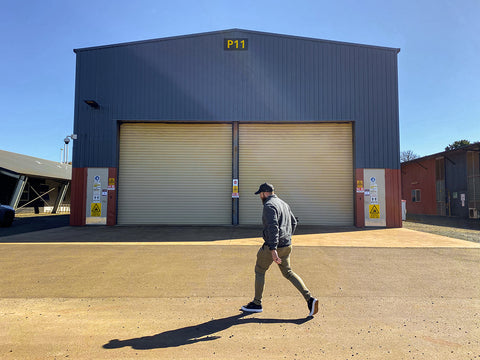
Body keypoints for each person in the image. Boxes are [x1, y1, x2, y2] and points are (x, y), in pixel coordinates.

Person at [241, 182, 319, 317]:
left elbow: (273, 227)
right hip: (287, 245)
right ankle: (310, 299)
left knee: (260, 270)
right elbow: (294, 222)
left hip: (273, 246)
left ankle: (256, 303)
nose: (260, 196)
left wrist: (273, 248)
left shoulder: (269, 206)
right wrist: (286, 238)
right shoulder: (283, 204)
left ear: (265, 193)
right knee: (288, 272)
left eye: (260, 194)